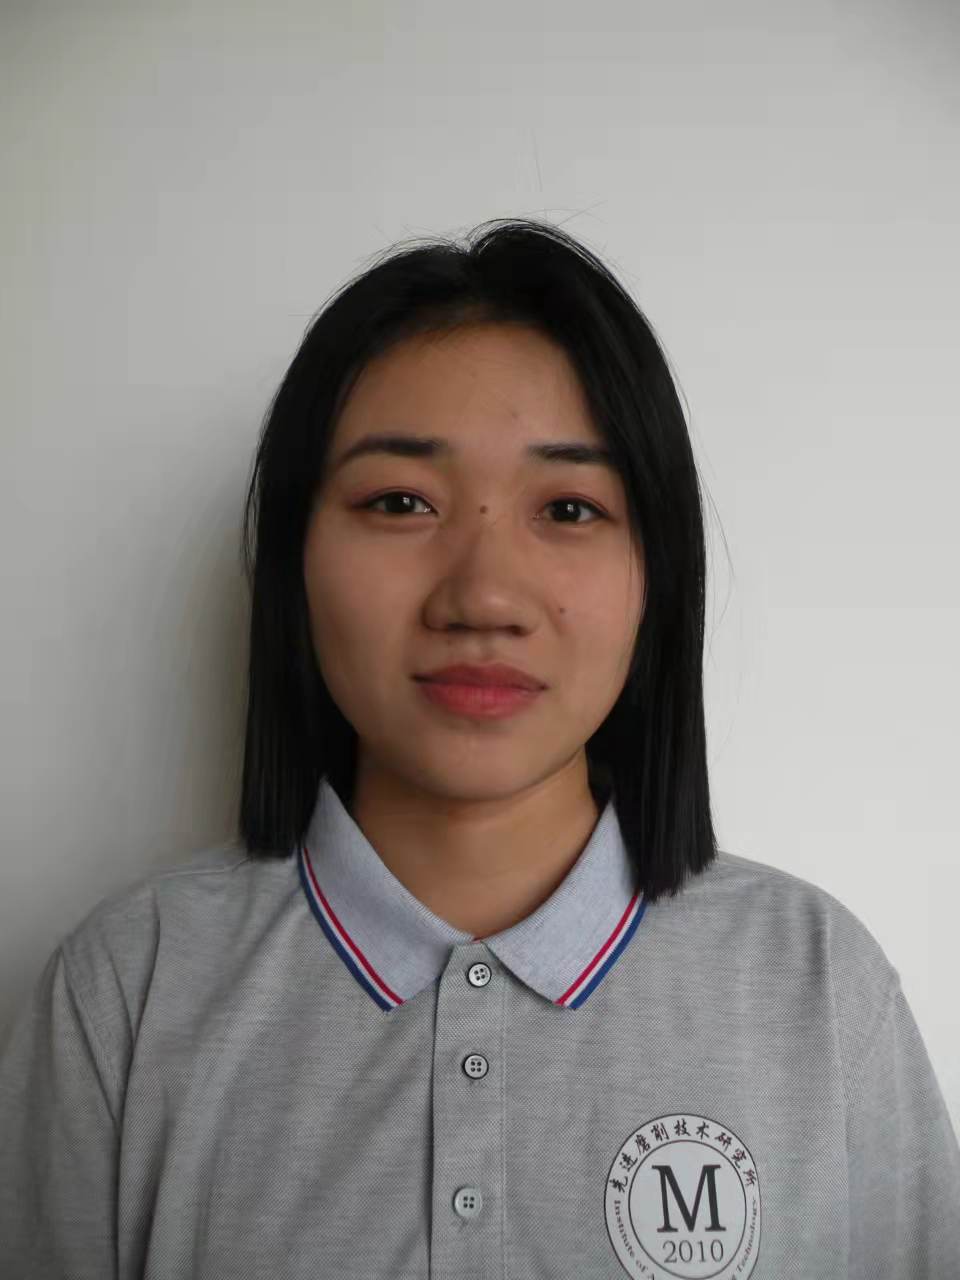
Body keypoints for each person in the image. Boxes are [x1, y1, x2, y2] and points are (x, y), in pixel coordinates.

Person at [1, 217, 958, 1279]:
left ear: (657, 575)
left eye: (570, 508)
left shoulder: (818, 989)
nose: (484, 595)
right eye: (400, 501)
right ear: (294, 560)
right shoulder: (126, 993)